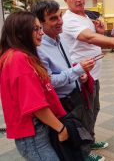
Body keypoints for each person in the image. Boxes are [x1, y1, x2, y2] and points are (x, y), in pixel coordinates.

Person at [60, 0, 114, 154]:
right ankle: (83, 153)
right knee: (84, 113)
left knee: (94, 109)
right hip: (82, 77)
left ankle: (90, 140)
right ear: (66, 0)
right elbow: (88, 38)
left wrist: (100, 32)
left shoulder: (85, 16)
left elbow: (93, 36)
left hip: (94, 75)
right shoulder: (69, 20)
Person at [31, 0, 103, 161]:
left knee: (82, 129)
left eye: (60, 16)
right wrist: (77, 70)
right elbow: (49, 81)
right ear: (40, 23)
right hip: (62, 103)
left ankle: (84, 153)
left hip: (75, 94)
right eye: (53, 18)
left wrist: (79, 74)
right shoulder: (39, 48)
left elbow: (66, 65)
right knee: (70, 140)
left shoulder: (60, 37)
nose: (60, 21)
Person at [0, 11, 68, 160]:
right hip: (33, 135)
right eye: (36, 29)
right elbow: (35, 105)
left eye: (40, 28)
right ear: (21, 33)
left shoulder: (15, 55)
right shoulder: (18, 58)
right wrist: (61, 128)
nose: (41, 33)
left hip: (35, 133)